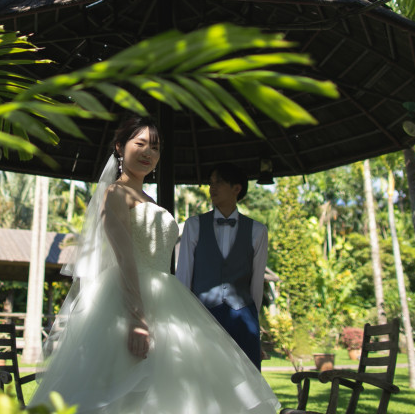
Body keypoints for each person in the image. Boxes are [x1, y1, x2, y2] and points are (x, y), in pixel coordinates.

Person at [29, 116, 280, 414]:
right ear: (120, 148)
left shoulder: (150, 198)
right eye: (141, 143)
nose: (149, 151)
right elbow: (123, 257)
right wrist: (137, 317)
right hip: (129, 301)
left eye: (156, 146)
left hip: (168, 297)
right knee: (125, 392)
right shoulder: (115, 193)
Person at [175, 163, 269, 370]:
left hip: (243, 318)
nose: (212, 188)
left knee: (246, 382)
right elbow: (183, 276)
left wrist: (254, 320)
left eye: (219, 182)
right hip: (202, 316)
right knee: (204, 379)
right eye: (210, 183)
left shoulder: (257, 231)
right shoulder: (194, 225)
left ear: (237, 188)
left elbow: (257, 283)